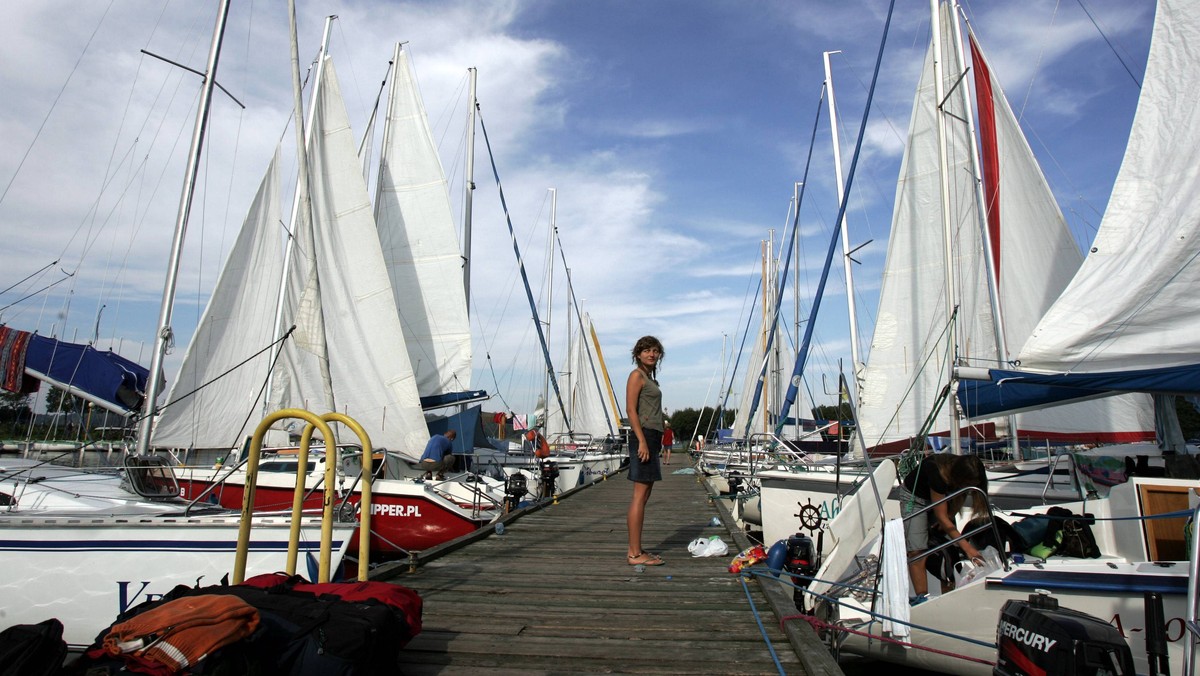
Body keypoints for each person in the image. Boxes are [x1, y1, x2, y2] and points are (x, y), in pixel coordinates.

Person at [899, 453, 988, 604]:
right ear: (960, 478)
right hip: (916, 499)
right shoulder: (939, 474)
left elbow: (957, 498)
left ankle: (948, 594)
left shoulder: (964, 474)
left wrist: (950, 516)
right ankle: (922, 598)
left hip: (944, 496)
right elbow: (942, 517)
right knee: (917, 551)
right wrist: (968, 549)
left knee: (949, 548)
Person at [626, 335, 666, 566]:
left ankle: (636, 548)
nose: (651, 354)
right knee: (639, 496)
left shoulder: (650, 379)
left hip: (652, 437)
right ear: (638, 354)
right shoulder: (636, 376)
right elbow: (631, 410)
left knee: (645, 495)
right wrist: (641, 440)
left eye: (655, 350)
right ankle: (634, 554)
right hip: (645, 437)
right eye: (646, 350)